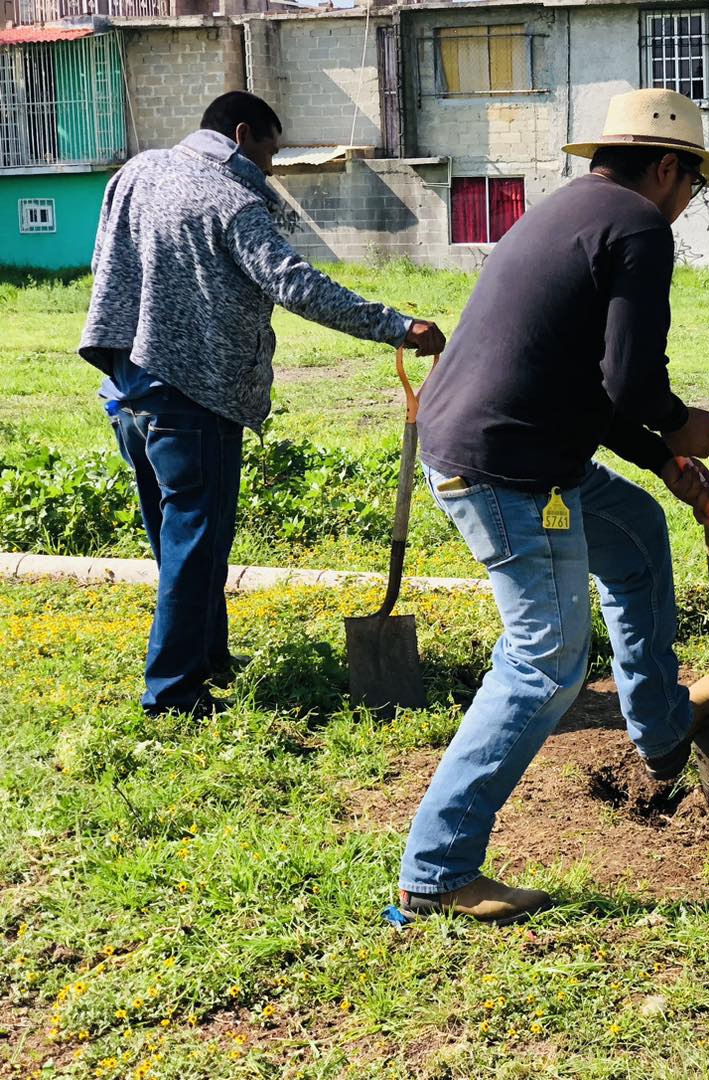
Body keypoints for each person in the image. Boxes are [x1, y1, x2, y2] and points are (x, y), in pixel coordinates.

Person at [395, 89, 709, 923]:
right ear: (666, 169)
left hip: (516, 446)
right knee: (546, 660)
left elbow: (587, 386)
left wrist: (663, 462)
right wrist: (679, 422)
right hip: (508, 470)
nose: (689, 206)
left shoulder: (570, 213)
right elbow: (629, 384)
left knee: (635, 534)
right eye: (692, 187)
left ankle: (660, 728)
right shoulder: (638, 226)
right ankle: (436, 870)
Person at [79, 91, 445, 718]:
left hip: (127, 392)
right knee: (195, 544)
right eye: (270, 152)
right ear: (243, 134)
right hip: (194, 399)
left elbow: (107, 266)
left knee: (183, 547)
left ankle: (207, 660)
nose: (271, 168)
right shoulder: (233, 198)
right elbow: (294, 283)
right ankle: (172, 694)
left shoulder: (134, 172)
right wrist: (397, 325)